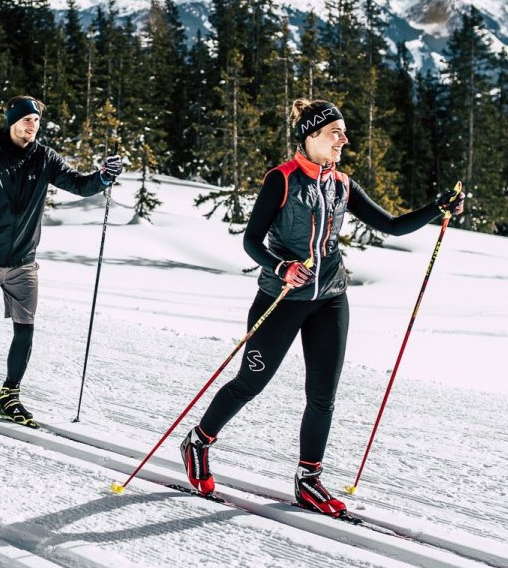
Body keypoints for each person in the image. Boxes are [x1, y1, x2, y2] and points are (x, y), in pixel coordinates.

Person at [180, 99, 464, 513]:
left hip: (330, 298)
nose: (344, 140)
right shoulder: (282, 179)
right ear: (311, 135)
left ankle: (309, 479)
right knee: (250, 383)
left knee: (322, 396)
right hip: (281, 299)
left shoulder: (342, 184)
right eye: (336, 132)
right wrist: (281, 266)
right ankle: (198, 442)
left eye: (344, 133)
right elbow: (250, 241)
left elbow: (391, 225)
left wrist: (438, 208)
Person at [0, 96, 122, 424]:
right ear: (11, 122)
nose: (32, 127)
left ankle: (10, 395)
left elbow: (79, 184)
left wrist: (102, 177)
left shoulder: (45, 159)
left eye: (36, 122)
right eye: (26, 120)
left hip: (23, 262)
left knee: (25, 329)